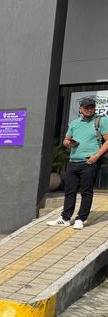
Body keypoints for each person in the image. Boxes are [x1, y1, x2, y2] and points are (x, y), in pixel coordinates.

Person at [47, 97, 108, 229]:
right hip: (73, 161)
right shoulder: (74, 123)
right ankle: (65, 218)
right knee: (70, 191)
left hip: (90, 161)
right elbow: (66, 140)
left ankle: (81, 218)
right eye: (86, 107)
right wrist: (68, 143)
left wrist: (96, 156)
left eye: (92, 107)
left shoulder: (101, 120)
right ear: (80, 109)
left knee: (86, 191)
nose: (89, 109)